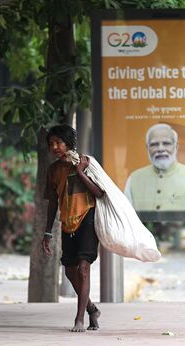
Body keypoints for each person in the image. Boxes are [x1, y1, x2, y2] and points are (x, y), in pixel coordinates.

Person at [42, 124, 105, 332]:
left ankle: (80, 319)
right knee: (70, 271)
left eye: (58, 142)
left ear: (68, 143)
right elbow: (52, 203)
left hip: (87, 218)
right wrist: (47, 232)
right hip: (67, 222)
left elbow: (99, 192)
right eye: (51, 144)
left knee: (83, 268)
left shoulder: (85, 162)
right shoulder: (53, 170)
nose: (55, 147)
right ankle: (92, 309)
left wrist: (80, 171)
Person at [124, 123, 185, 211]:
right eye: (154, 144)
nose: (160, 149)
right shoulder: (134, 178)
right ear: (147, 148)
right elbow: (125, 217)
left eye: (166, 143)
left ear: (176, 147)